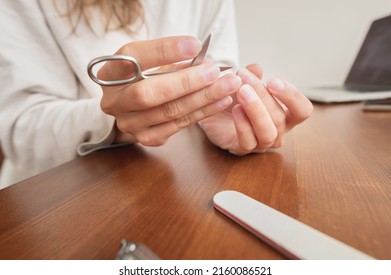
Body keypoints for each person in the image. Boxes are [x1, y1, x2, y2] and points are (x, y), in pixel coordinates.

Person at [0, 0, 313, 188]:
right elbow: (20, 129)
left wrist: (227, 110)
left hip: (168, 190)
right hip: (51, 204)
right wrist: (112, 118)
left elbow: (218, 68)